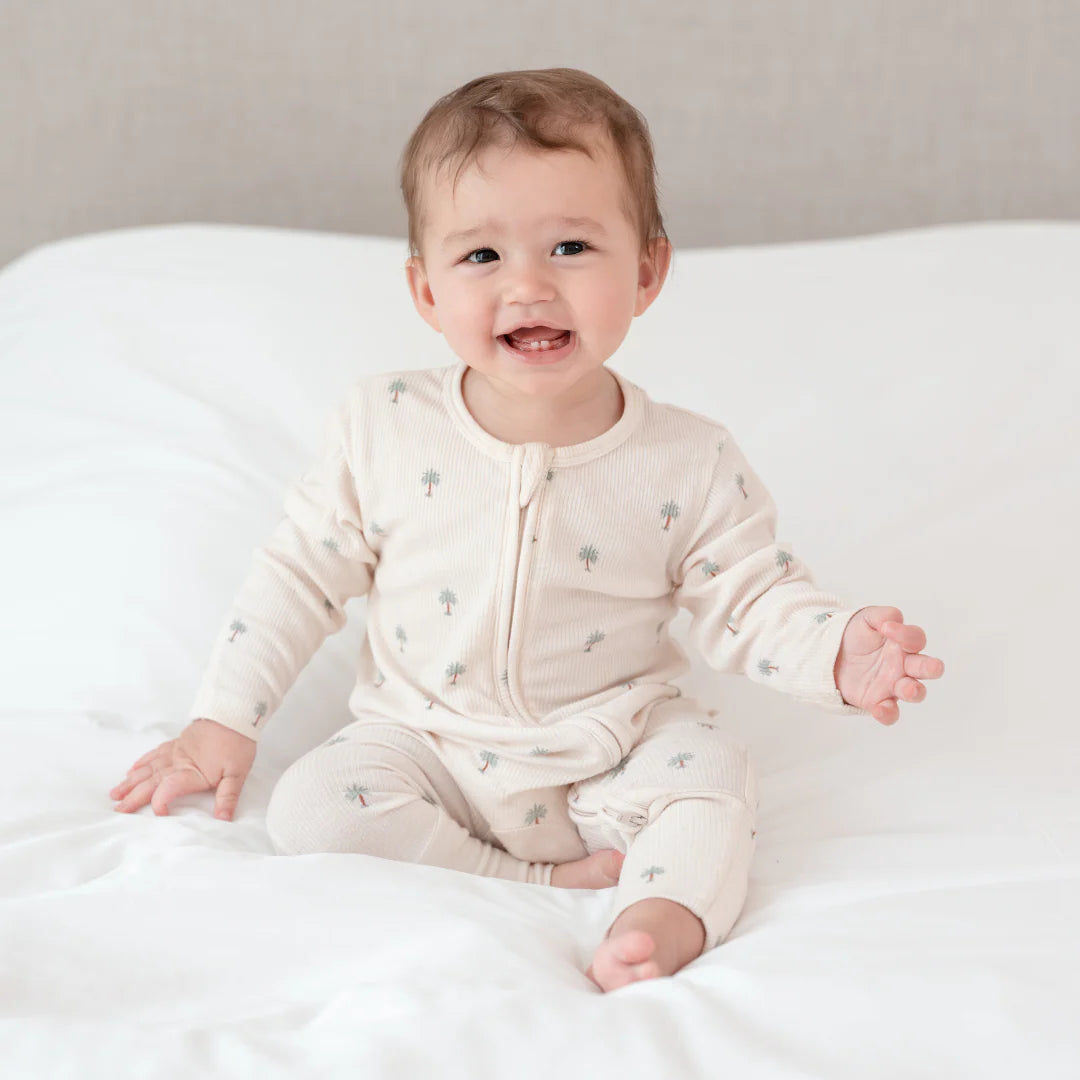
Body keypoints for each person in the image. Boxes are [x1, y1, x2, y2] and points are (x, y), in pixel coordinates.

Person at [108, 68, 945, 993]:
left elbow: (751, 595)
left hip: (610, 748)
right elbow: (298, 577)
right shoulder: (383, 427)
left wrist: (834, 650)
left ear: (647, 272)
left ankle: (659, 920)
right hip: (427, 744)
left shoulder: (688, 458)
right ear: (426, 291)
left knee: (712, 775)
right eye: (481, 256)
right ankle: (519, 882)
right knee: (311, 808)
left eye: (572, 246)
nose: (529, 285)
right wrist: (223, 721)